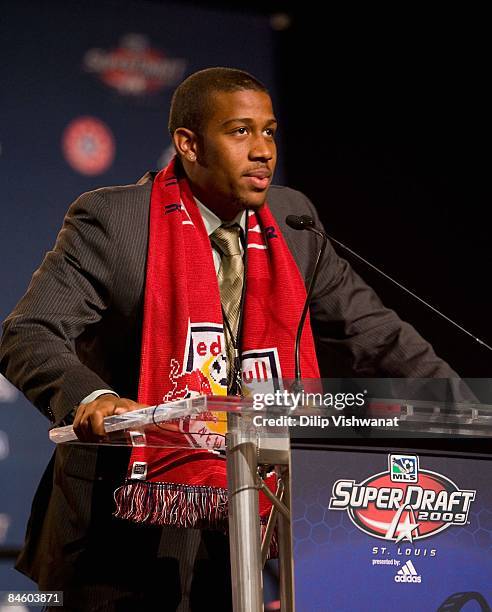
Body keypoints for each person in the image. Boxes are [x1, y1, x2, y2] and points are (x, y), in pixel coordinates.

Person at [0, 67, 463, 611]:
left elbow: (373, 333)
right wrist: (94, 398)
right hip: (122, 523)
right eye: (240, 131)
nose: (263, 150)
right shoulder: (114, 220)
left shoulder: (292, 222)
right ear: (189, 144)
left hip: (242, 522)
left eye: (270, 132)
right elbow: (28, 332)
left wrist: (464, 404)